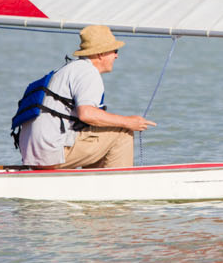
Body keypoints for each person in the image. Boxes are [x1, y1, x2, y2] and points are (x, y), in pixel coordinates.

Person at [12, 25, 155, 169]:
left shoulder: (71, 68)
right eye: (115, 51)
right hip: (50, 153)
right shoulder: (88, 73)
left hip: (33, 153)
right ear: (101, 53)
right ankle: (118, 186)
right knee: (122, 132)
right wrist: (128, 122)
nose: (116, 56)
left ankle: (93, 182)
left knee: (102, 131)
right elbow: (86, 114)